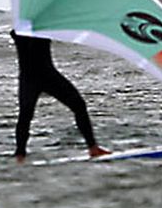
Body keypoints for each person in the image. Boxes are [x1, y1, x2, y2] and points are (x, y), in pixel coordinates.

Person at [11, 32, 108, 161]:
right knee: (25, 115)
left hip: (46, 77)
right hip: (33, 79)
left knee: (79, 105)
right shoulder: (27, 29)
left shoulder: (33, 28)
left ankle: (93, 148)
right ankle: (20, 155)